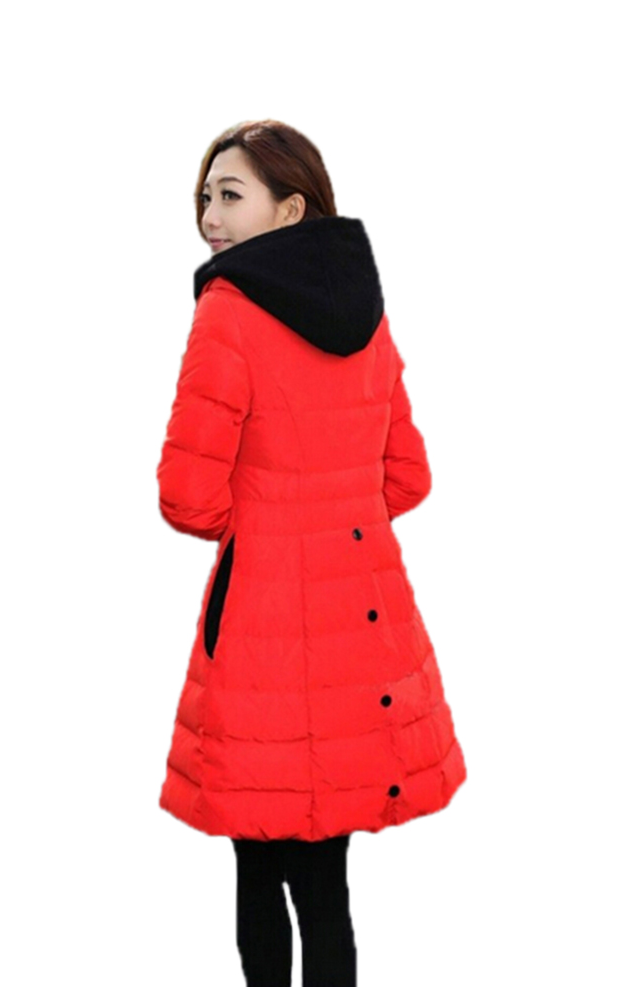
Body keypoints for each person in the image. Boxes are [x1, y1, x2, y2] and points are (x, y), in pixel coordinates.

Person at [156, 120, 467, 987]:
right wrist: (329, 521)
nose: (209, 217)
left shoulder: (229, 310)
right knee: (326, 882)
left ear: (291, 209)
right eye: (204, 197)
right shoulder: (364, 308)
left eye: (230, 196)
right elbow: (407, 476)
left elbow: (187, 498)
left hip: (260, 631)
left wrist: (269, 530)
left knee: (259, 863)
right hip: (360, 622)